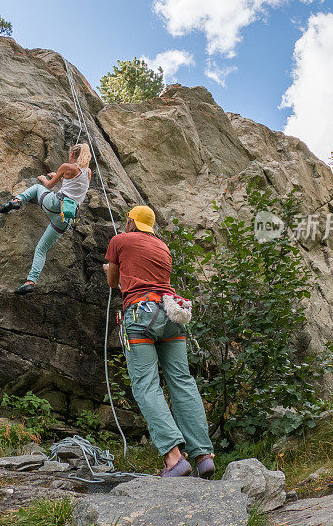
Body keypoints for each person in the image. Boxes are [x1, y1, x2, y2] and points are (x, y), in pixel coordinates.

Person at [104, 205, 215, 478]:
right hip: (171, 312)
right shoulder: (163, 247)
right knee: (182, 381)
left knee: (146, 384)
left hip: (141, 314)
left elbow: (112, 281)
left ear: (130, 221)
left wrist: (110, 268)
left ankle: (174, 459)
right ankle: (202, 456)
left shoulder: (120, 240)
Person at [0, 143, 92, 294]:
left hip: (55, 205)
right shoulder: (87, 172)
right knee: (41, 249)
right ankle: (30, 282)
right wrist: (60, 176)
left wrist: (44, 178)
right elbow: (77, 187)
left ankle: (17, 201)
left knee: (37, 188)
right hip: (66, 218)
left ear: (71, 155)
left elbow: (48, 186)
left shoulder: (66, 167)